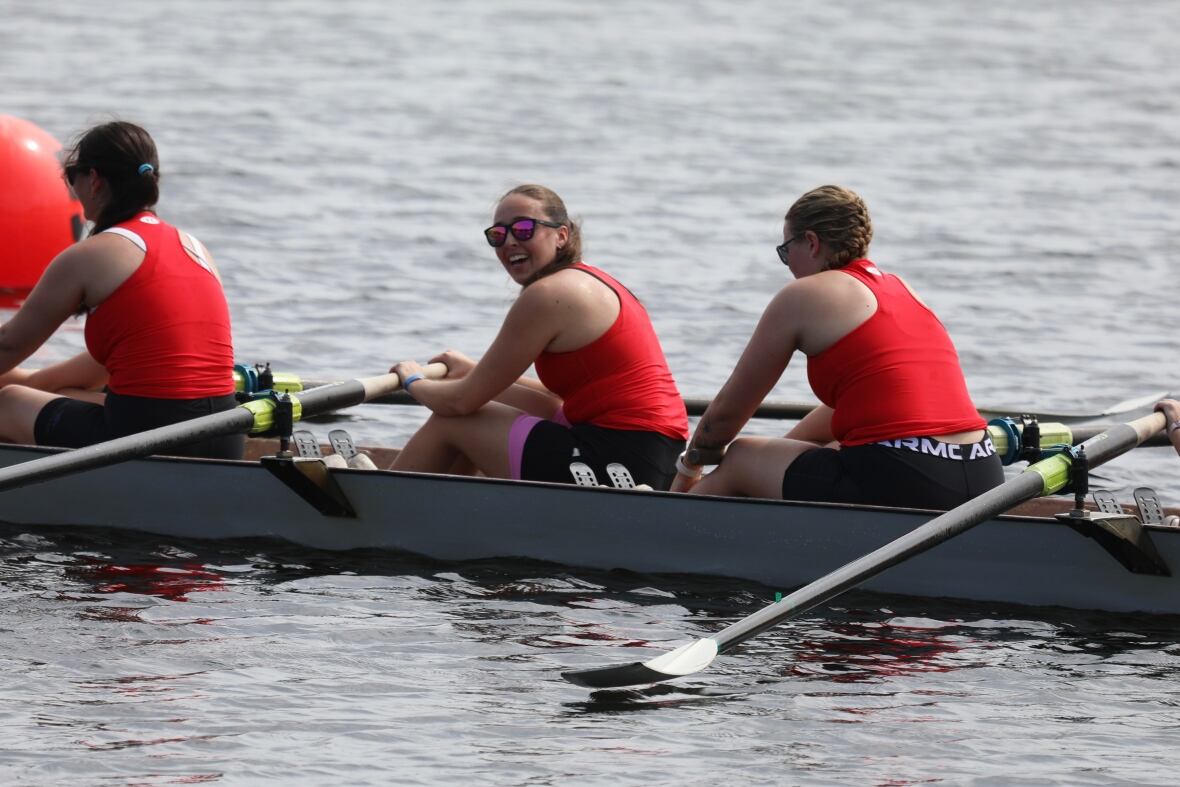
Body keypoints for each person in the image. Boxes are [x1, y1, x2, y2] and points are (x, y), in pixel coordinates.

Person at [673, 185, 1004, 509]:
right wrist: (779, 452)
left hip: (907, 475)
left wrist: (687, 472)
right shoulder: (901, 288)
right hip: (983, 475)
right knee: (824, 447)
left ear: (812, 243)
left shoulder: (802, 295)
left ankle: (670, 521)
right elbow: (858, 404)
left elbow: (728, 413)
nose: (787, 265)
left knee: (742, 456)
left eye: (786, 250)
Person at [390, 184, 688, 489]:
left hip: (618, 460)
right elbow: (554, 400)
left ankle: (381, 506)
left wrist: (413, 381)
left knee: (452, 422)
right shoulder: (591, 280)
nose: (508, 242)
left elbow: (460, 403)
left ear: (561, 235)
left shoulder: (547, 295)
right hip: (659, 459)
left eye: (523, 229)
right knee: (519, 412)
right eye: (498, 235)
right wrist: (472, 371)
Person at [0, 121, 243, 458]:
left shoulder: (90, 254)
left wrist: (17, 387)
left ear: (95, 181)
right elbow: (103, 365)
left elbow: (8, 346)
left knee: (7, 404)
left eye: (72, 177)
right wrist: (29, 381)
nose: (72, 190)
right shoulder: (195, 247)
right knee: (64, 392)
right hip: (225, 436)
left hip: (147, 441)